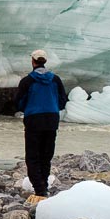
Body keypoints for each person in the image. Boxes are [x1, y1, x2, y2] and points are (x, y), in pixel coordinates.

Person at [15, 49, 67, 204]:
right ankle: (43, 185)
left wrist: (29, 108)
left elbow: (18, 102)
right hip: (51, 119)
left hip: (33, 119)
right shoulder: (55, 79)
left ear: (33, 61)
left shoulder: (27, 81)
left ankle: (40, 189)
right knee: (46, 154)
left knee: (32, 156)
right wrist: (52, 107)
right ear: (45, 61)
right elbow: (63, 100)